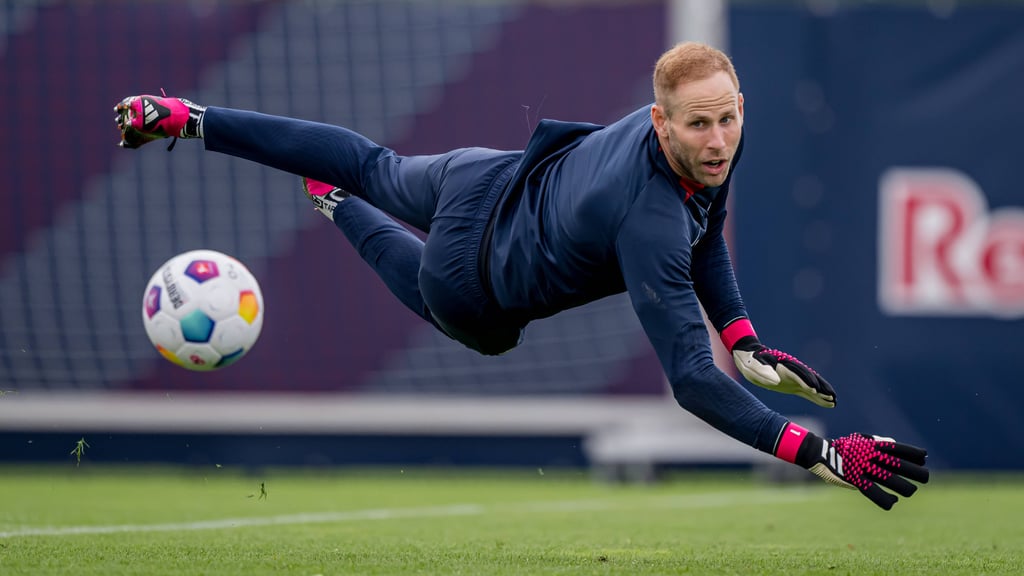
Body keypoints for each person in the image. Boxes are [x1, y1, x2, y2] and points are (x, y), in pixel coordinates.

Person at [114, 41, 928, 509]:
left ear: (738, 104)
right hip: (474, 277)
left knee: (369, 160)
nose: (718, 140)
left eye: (727, 117)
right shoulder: (647, 217)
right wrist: (818, 454)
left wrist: (744, 338)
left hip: (484, 176)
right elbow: (689, 380)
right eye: (699, 126)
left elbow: (707, 233)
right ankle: (341, 212)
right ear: (660, 122)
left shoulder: (707, 150)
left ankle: (185, 118)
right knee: (466, 323)